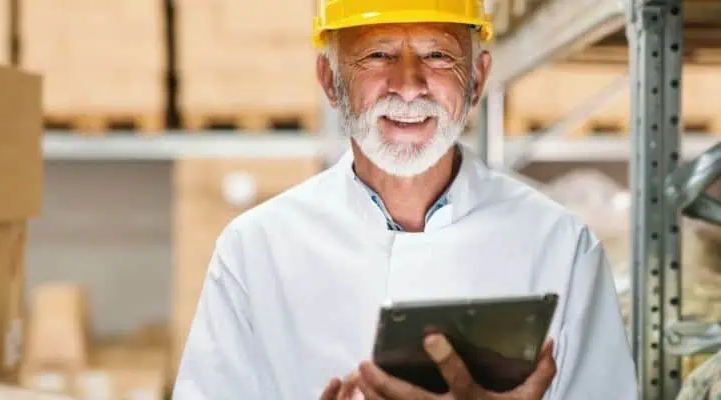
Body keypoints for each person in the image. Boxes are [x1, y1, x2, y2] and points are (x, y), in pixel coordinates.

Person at [172, 0, 637, 398]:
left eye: (437, 55)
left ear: (477, 77)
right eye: (378, 55)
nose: (410, 85)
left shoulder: (559, 246)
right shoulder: (254, 252)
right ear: (330, 80)